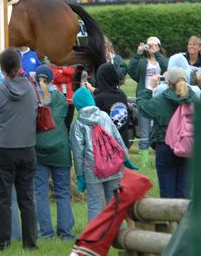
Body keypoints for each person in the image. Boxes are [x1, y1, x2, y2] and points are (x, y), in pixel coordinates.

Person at [0, 48, 38, 251]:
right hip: (27, 147)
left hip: (3, 148)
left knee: (4, 199)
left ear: (2, 68)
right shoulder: (31, 89)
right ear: (19, 66)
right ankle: (30, 243)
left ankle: (3, 242)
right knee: (27, 198)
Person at [136, 67, 199, 199]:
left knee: (167, 195)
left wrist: (148, 88)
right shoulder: (193, 98)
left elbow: (142, 107)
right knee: (184, 194)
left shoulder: (161, 100)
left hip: (165, 146)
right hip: (187, 147)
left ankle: (166, 220)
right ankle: (184, 219)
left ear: (168, 82)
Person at [70, 87, 129, 222]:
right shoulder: (104, 116)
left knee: (94, 204)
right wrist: (125, 158)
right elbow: (117, 138)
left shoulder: (77, 124)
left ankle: (94, 237)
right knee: (114, 202)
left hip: (93, 169)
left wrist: (80, 176)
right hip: (113, 164)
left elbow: (78, 153)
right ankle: (118, 234)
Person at [33, 65, 75, 240]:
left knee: (40, 193)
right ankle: (65, 233)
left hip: (38, 150)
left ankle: (45, 233)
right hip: (60, 150)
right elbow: (66, 122)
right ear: (52, 79)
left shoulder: (32, 99)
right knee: (63, 192)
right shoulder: (62, 99)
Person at [127, 37, 168, 166]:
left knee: (160, 130)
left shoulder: (162, 61)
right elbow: (131, 71)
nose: (150, 47)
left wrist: (156, 53)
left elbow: (167, 67)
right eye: (148, 45)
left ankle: (160, 161)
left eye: (154, 45)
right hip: (145, 98)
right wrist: (138, 54)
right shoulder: (143, 62)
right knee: (144, 131)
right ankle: (144, 163)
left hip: (160, 99)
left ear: (159, 47)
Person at [85, 62, 132, 149]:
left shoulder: (100, 99)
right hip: (123, 142)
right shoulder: (122, 95)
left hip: (108, 145)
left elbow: (93, 123)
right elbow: (106, 93)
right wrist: (91, 88)